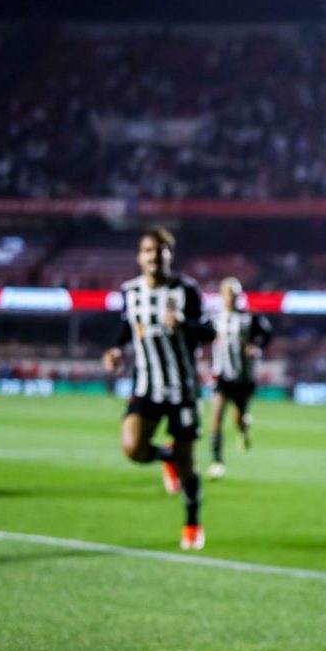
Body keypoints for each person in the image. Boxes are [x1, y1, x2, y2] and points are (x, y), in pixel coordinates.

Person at [102, 227, 215, 550]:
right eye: (148, 250)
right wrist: (114, 350)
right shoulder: (130, 291)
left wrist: (184, 324)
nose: (154, 256)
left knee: (189, 465)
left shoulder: (186, 290)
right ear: (140, 257)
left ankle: (192, 523)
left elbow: (208, 331)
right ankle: (165, 457)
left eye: (160, 250)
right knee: (133, 449)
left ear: (170, 254)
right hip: (147, 385)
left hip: (183, 390)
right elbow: (126, 326)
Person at [205, 277, 274, 480]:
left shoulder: (249, 318)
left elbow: (267, 335)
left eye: (234, 294)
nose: (231, 298)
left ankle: (243, 428)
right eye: (227, 293)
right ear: (221, 295)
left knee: (238, 419)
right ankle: (217, 462)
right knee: (216, 416)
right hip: (221, 375)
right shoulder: (215, 318)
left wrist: (256, 347)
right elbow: (204, 334)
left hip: (243, 377)